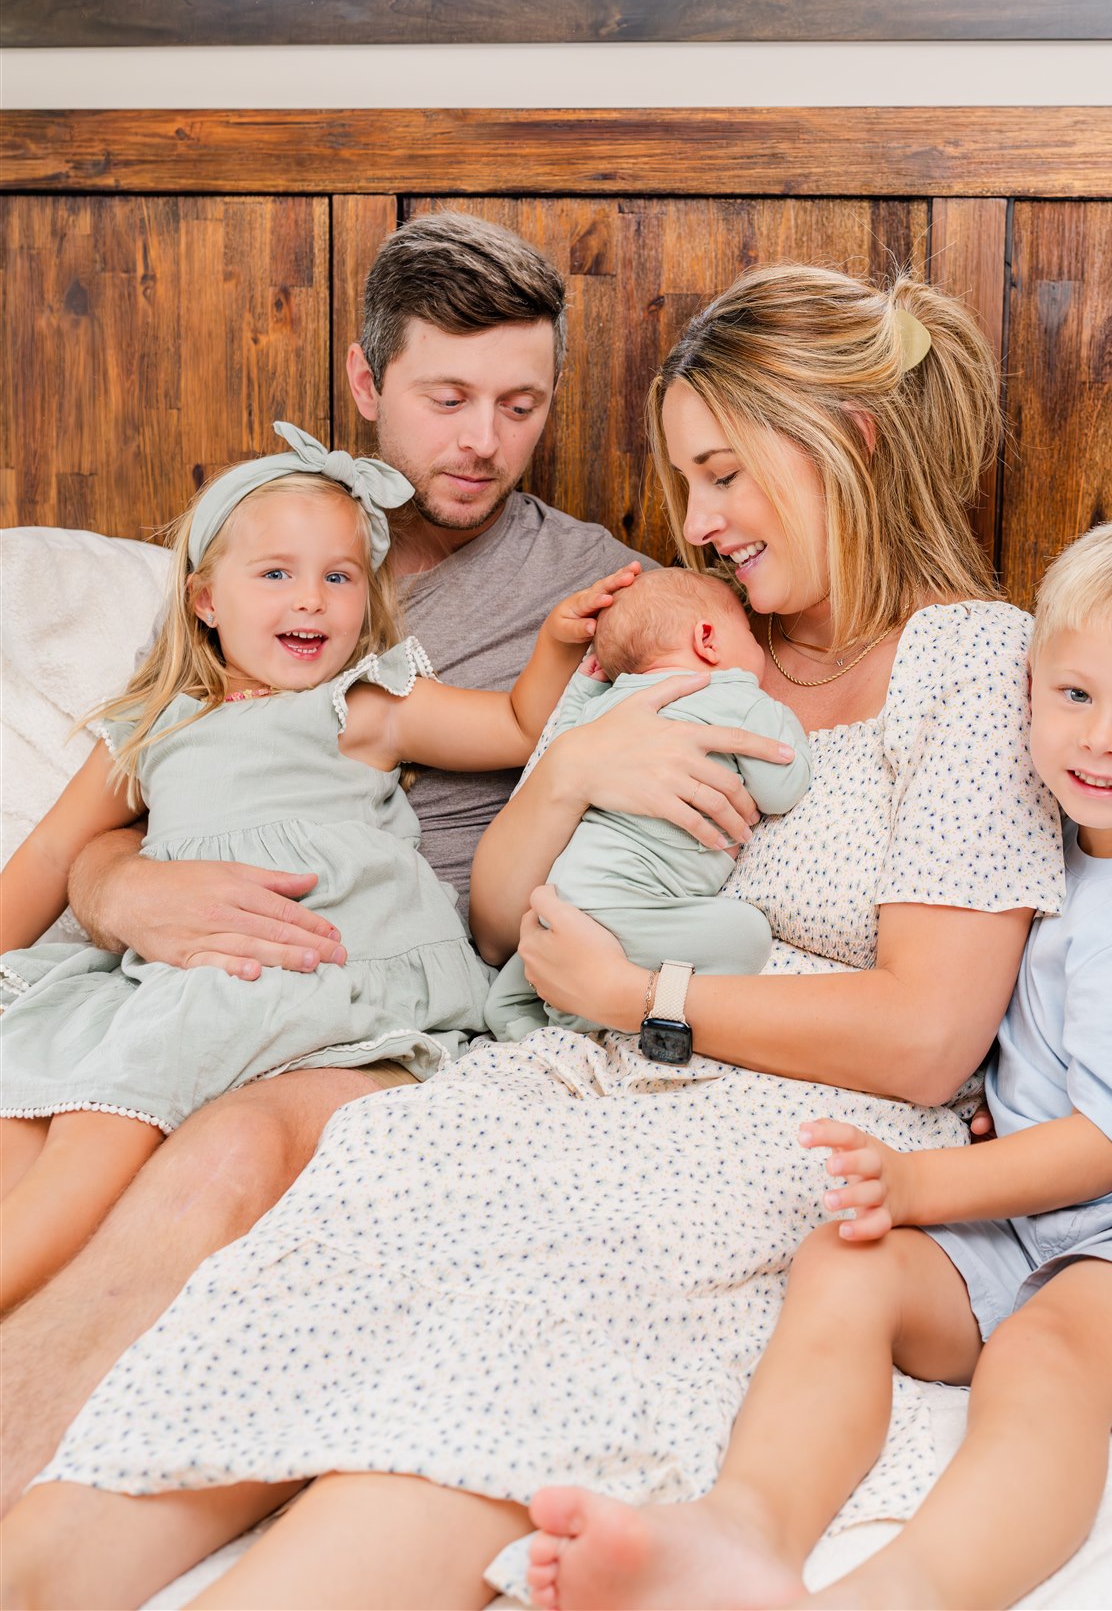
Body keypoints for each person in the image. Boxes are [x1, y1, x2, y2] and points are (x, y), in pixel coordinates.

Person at [1, 263, 1067, 1611]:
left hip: (768, 1118)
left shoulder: (973, 663)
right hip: (552, 1068)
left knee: (503, 1347)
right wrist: (574, 776)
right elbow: (512, 927)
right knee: (319, 1270)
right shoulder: (692, 637)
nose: (699, 522)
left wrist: (642, 995)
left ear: (847, 443)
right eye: (687, 484)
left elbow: (925, 1037)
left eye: (724, 476)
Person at [0, 213, 786, 1511]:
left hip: (388, 1004)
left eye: (521, 404)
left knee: (208, 1152)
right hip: (193, 968)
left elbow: (723, 686)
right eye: (447, 397)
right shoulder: (267, 565)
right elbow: (168, 774)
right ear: (368, 387)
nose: (483, 439)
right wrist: (115, 888)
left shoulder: (592, 591)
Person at [523, 514, 1112, 1611]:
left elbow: (1111, 1143)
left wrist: (918, 1182)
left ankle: (905, 1590)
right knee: (845, 1263)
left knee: (1044, 1357)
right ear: (1030, 689)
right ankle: (744, 1530)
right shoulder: (1062, 841)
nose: (1101, 739)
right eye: (1074, 695)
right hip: (1035, 1212)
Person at [0, 419, 639, 1312]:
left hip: (321, 966)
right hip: (194, 975)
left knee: (97, 1126)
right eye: (275, 575)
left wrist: (556, 650)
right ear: (204, 601)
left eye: (338, 577)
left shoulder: (363, 706)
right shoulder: (158, 728)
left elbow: (519, 729)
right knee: (20, 1109)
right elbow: (55, 851)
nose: (311, 601)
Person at [485, 568, 812, 1041]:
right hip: (638, 905)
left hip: (564, 893)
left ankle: (512, 1005)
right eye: (748, 634)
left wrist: (581, 691)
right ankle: (582, 1014)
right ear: (708, 640)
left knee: (545, 941)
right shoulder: (737, 697)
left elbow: (555, 746)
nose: (759, 650)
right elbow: (782, 789)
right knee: (748, 936)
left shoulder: (608, 707)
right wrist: (786, 730)